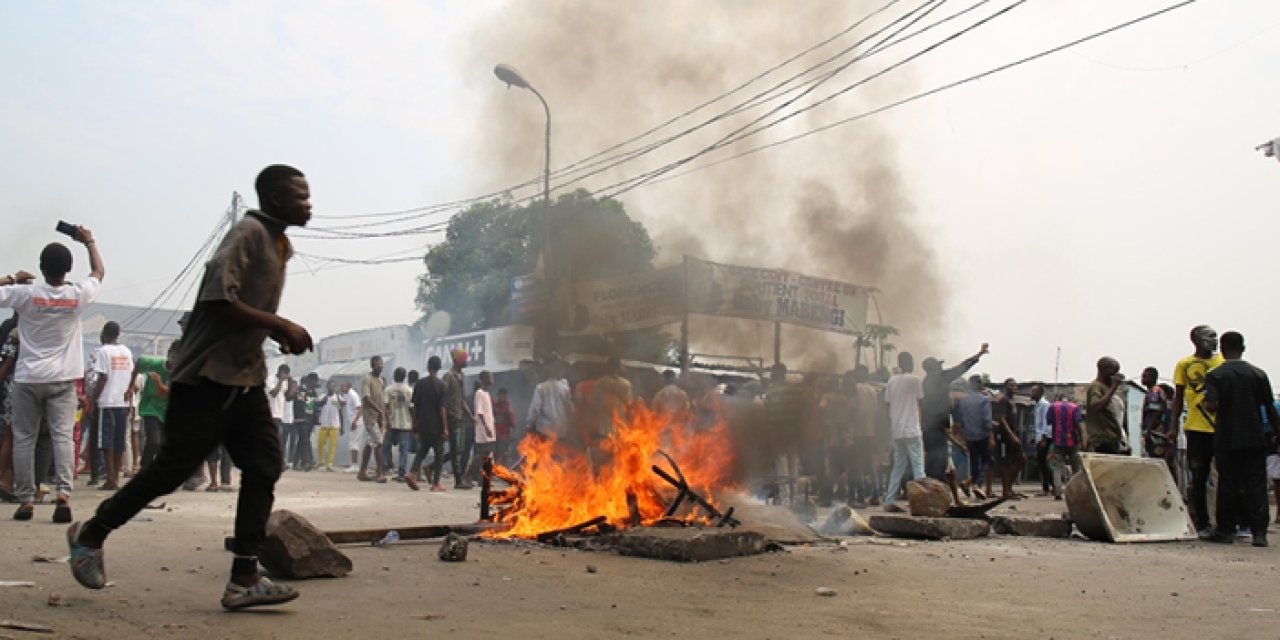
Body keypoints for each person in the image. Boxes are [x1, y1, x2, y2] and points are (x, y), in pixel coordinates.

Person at [68, 164, 314, 610]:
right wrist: (278, 323)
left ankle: (244, 577)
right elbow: (218, 297)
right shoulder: (249, 234)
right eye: (301, 196)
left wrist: (271, 332)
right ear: (276, 199)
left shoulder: (279, 244)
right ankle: (90, 533)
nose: (308, 203)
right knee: (169, 471)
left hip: (245, 377)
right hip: (206, 378)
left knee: (263, 466)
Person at [0, 225, 104, 522]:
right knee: (62, 438)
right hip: (62, 380)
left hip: (28, 378)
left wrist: (12, 278)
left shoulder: (26, 294)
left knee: (24, 439)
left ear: (41, 268)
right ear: (68, 269)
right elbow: (98, 273)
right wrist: (89, 242)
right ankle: (63, 496)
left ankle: (25, 501)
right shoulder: (77, 295)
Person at [1201, 331, 1277, 547]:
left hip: (1227, 436)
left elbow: (1211, 405)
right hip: (1255, 436)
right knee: (1256, 484)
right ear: (1243, 348)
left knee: (1228, 483)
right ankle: (1259, 533)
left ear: (1222, 350)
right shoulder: (1259, 374)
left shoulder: (1216, 375)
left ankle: (1225, 530)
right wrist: (1278, 434)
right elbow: (1270, 408)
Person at [1172, 325, 1224, 537]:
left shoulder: (1222, 363)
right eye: (1210, 336)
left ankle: (1226, 522)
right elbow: (1178, 397)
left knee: (1226, 476)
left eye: (1216, 336)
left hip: (1220, 427)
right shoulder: (1185, 365)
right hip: (1195, 428)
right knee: (1198, 475)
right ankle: (1201, 522)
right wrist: (1172, 427)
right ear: (1196, 340)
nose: (1215, 340)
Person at [88, 321, 133, 491]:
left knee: (106, 441)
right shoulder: (127, 352)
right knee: (119, 441)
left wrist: (92, 401)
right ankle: (116, 478)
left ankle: (110, 477)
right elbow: (131, 376)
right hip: (121, 402)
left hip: (107, 401)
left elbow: (102, 378)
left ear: (104, 334)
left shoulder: (104, 351)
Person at [881, 352, 925, 513]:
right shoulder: (915, 380)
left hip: (897, 429)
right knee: (918, 465)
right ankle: (922, 500)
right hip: (912, 428)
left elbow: (887, 403)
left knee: (898, 466)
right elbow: (920, 402)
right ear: (911, 363)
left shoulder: (891, 381)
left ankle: (889, 499)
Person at [127, 341, 174, 471]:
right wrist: (131, 385)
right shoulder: (154, 364)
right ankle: (145, 466)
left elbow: (167, 391)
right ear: (169, 354)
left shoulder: (181, 371)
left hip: (168, 410)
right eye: (173, 358)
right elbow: (139, 363)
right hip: (151, 407)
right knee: (154, 441)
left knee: (165, 444)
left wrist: (159, 382)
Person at [764, 363, 804, 504]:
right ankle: (796, 494)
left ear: (777, 373)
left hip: (778, 430)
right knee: (793, 461)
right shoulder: (794, 389)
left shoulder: (771, 390)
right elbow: (800, 411)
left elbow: (767, 412)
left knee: (781, 462)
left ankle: (785, 495)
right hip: (793, 430)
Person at [408, 355, 448, 492]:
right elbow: (442, 408)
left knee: (422, 450)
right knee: (439, 454)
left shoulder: (420, 384)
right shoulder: (442, 385)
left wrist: (414, 423)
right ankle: (436, 483)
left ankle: (412, 473)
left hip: (422, 424)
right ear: (439, 368)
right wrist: (445, 427)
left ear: (428, 366)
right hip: (436, 425)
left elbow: (415, 406)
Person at [958, 375, 993, 500]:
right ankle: (977, 484)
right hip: (982, 434)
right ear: (979, 385)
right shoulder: (984, 400)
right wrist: (990, 432)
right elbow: (987, 420)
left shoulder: (963, 401)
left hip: (969, 435)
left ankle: (973, 484)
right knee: (986, 460)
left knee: (974, 462)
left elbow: (961, 419)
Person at [442, 349, 472, 489]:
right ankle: (458, 481)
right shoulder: (448, 376)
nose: (467, 361)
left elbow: (462, 399)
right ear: (458, 360)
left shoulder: (462, 376)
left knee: (459, 448)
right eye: (464, 359)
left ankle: (430, 468)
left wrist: (470, 415)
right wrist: (444, 423)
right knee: (456, 449)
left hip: (460, 416)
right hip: (451, 416)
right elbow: (443, 400)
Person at [991, 378, 1025, 500]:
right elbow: (1002, 419)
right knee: (1005, 463)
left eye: (1015, 385)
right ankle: (1006, 491)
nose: (1014, 387)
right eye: (1011, 385)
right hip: (1005, 436)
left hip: (1012, 435)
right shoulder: (1003, 400)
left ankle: (1009, 488)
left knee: (1020, 460)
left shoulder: (1012, 401)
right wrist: (1012, 436)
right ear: (1005, 387)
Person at [357, 356, 388, 483]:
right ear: (372, 365)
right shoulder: (367, 379)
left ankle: (362, 472)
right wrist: (379, 410)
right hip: (370, 417)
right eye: (377, 364)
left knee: (370, 444)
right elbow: (366, 398)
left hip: (378, 417)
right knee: (379, 443)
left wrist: (384, 413)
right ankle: (380, 473)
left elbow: (381, 400)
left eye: (381, 364)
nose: (380, 366)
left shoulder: (380, 381)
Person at [1046, 394, 1085, 492]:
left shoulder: (1053, 407)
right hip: (1072, 441)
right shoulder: (1074, 407)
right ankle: (1077, 490)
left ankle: (1058, 490)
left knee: (1057, 467)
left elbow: (1049, 421)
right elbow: (1079, 424)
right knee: (1076, 467)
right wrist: (1083, 440)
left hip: (1058, 441)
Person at [1086, 357, 1126, 454]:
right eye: (1113, 371)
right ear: (1103, 370)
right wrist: (1113, 387)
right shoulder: (1096, 387)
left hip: (1111, 438)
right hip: (1103, 439)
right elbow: (1097, 406)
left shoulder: (1105, 388)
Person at [526, 358, 572, 439]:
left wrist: (530, 423)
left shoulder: (541, 388)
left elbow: (535, 409)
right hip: (562, 430)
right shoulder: (565, 389)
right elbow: (569, 409)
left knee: (544, 450)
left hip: (545, 431)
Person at [1140, 367, 1174, 472]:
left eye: (1145, 376)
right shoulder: (1153, 391)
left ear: (1153, 378)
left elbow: (1156, 411)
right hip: (1156, 432)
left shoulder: (1154, 391)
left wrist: (1149, 431)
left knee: (1157, 461)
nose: (1142, 378)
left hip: (1156, 434)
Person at [383, 366, 414, 481]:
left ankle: (385, 468)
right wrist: (414, 421)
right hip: (405, 424)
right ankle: (402, 473)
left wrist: (387, 420)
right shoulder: (409, 390)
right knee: (403, 449)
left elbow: (385, 407)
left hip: (392, 423)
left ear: (394, 376)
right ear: (404, 377)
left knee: (386, 446)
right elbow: (412, 408)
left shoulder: (388, 389)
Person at [465, 371, 497, 483]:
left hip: (488, 428)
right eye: (490, 377)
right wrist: (486, 428)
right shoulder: (479, 393)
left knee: (487, 454)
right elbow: (479, 413)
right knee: (481, 454)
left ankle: (483, 478)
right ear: (484, 379)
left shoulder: (486, 393)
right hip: (483, 429)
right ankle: (468, 475)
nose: (492, 379)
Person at [1029, 385, 1054, 497]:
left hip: (1045, 437)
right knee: (1042, 463)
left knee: (1043, 463)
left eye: (1033, 391)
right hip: (1040, 437)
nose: (1031, 393)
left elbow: (1047, 422)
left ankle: (1047, 489)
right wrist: (1036, 437)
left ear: (1039, 392)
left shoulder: (1045, 405)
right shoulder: (1038, 405)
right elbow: (1039, 424)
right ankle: (1053, 487)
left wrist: (1043, 438)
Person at [316, 381, 343, 472]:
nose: (332, 388)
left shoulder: (337, 398)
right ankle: (321, 461)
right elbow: (318, 405)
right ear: (327, 387)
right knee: (320, 443)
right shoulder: (323, 397)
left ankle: (330, 464)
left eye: (333, 386)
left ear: (335, 388)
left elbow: (340, 411)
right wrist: (324, 400)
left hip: (334, 425)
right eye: (330, 386)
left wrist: (342, 426)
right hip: (324, 424)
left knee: (332, 445)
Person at [267, 364, 291, 465]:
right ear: (281, 372)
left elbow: (288, 397)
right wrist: (280, 381)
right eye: (285, 374)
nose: (286, 376)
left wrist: (289, 383)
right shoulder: (270, 379)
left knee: (278, 440)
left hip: (280, 415)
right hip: (271, 414)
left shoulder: (285, 382)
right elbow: (273, 393)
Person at [492, 387, 517, 466]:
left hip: (503, 436)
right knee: (494, 454)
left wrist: (513, 434)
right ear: (498, 395)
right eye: (500, 395)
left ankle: (500, 471)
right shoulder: (493, 405)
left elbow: (513, 422)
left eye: (503, 396)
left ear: (506, 397)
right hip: (493, 434)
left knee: (502, 454)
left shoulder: (507, 407)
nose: (502, 397)